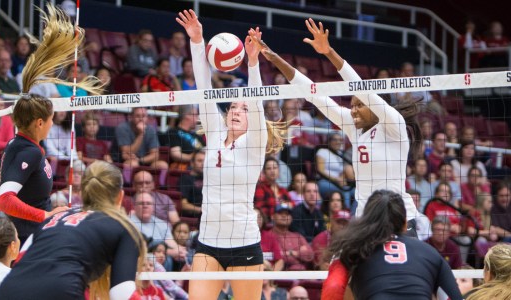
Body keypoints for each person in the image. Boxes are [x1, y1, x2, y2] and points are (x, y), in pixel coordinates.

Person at [255, 19, 421, 226]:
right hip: (365, 219)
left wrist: (329, 52)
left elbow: (360, 88)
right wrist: (276, 59)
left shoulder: (393, 125)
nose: (353, 110)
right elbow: (314, 95)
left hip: (397, 218)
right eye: (352, 105)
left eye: (360, 105)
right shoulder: (354, 126)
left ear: (376, 104)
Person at [177, 9, 286, 300]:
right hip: (208, 243)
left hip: (244, 244)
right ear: (226, 115)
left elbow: (257, 103)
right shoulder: (213, 133)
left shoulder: (254, 144)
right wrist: (198, 42)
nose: (238, 111)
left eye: (244, 109)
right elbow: (203, 87)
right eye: (234, 108)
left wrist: (252, 63)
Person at [0, 3, 102, 243]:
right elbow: (4, 200)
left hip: (33, 234)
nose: (53, 124)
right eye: (52, 120)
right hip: (25, 238)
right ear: (40, 122)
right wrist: (45, 215)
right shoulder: (27, 150)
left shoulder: (26, 146)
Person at [0, 159, 146, 299]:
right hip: (60, 290)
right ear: (120, 196)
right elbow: (122, 293)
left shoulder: (54, 219)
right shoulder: (122, 227)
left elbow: (20, 259)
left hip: (9, 289)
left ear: (83, 193)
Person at [322, 190, 462, 300]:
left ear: (365, 220)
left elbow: (334, 286)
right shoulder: (430, 252)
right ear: (405, 223)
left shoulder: (351, 248)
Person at [315, 133, 355, 209]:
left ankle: (353, 215)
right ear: (329, 141)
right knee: (345, 192)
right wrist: (336, 180)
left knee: (356, 192)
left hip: (339, 183)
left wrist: (342, 179)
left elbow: (343, 170)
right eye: (335, 139)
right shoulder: (322, 151)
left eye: (340, 140)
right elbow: (320, 170)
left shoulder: (340, 154)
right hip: (324, 181)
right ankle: (344, 214)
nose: (338, 142)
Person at [271, 202, 314, 271]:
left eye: (287, 214)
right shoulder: (268, 236)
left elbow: (310, 255)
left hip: (303, 276)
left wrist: (291, 253)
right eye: (280, 213)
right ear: (272, 217)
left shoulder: (297, 236)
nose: (284, 216)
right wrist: (300, 254)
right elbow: (274, 257)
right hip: (280, 276)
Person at [167, 104, 205, 170]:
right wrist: (193, 158)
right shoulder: (173, 132)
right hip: (186, 168)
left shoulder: (197, 136)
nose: (198, 118)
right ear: (186, 115)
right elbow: (176, 155)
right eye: (195, 115)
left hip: (203, 166)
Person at [178, 149, 204, 217]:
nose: (203, 163)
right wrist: (201, 210)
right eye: (199, 161)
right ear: (192, 163)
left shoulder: (211, 179)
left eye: (205, 161)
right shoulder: (185, 179)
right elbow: (183, 205)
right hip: (196, 215)